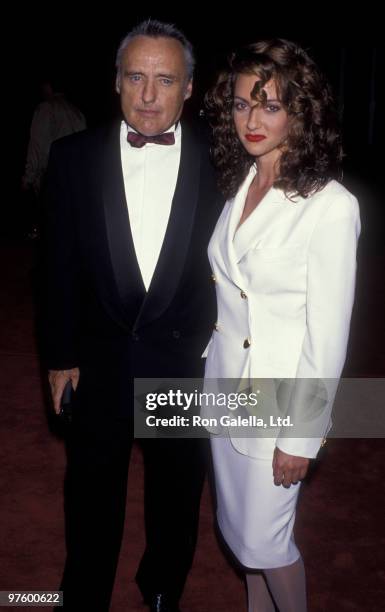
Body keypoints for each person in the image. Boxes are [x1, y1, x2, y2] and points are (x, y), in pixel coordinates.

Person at [40, 20, 223, 612]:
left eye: (165, 80)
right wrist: (59, 355)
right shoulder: (72, 158)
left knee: (176, 494)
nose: (148, 95)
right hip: (97, 363)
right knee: (91, 495)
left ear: (189, 87)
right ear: (116, 81)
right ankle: (83, 596)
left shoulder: (224, 163)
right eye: (136, 77)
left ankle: (162, 586)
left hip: (182, 363)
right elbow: (55, 267)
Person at [204, 39, 360, 611]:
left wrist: (299, 436)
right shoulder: (241, 185)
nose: (252, 118)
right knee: (243, 539)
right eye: (243, 104)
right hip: (224, 394)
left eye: (270, 105)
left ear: (301, 111)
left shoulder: (330, 206)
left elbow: (327, 339)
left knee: (268, 544)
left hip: (278, 409)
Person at [22, 79, 86, 238]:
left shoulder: (46, 109)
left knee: (50, 234)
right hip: (76, 181)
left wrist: (28, 178)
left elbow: (38, 145)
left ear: (48, 86)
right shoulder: (77, 112)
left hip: (52, 180)